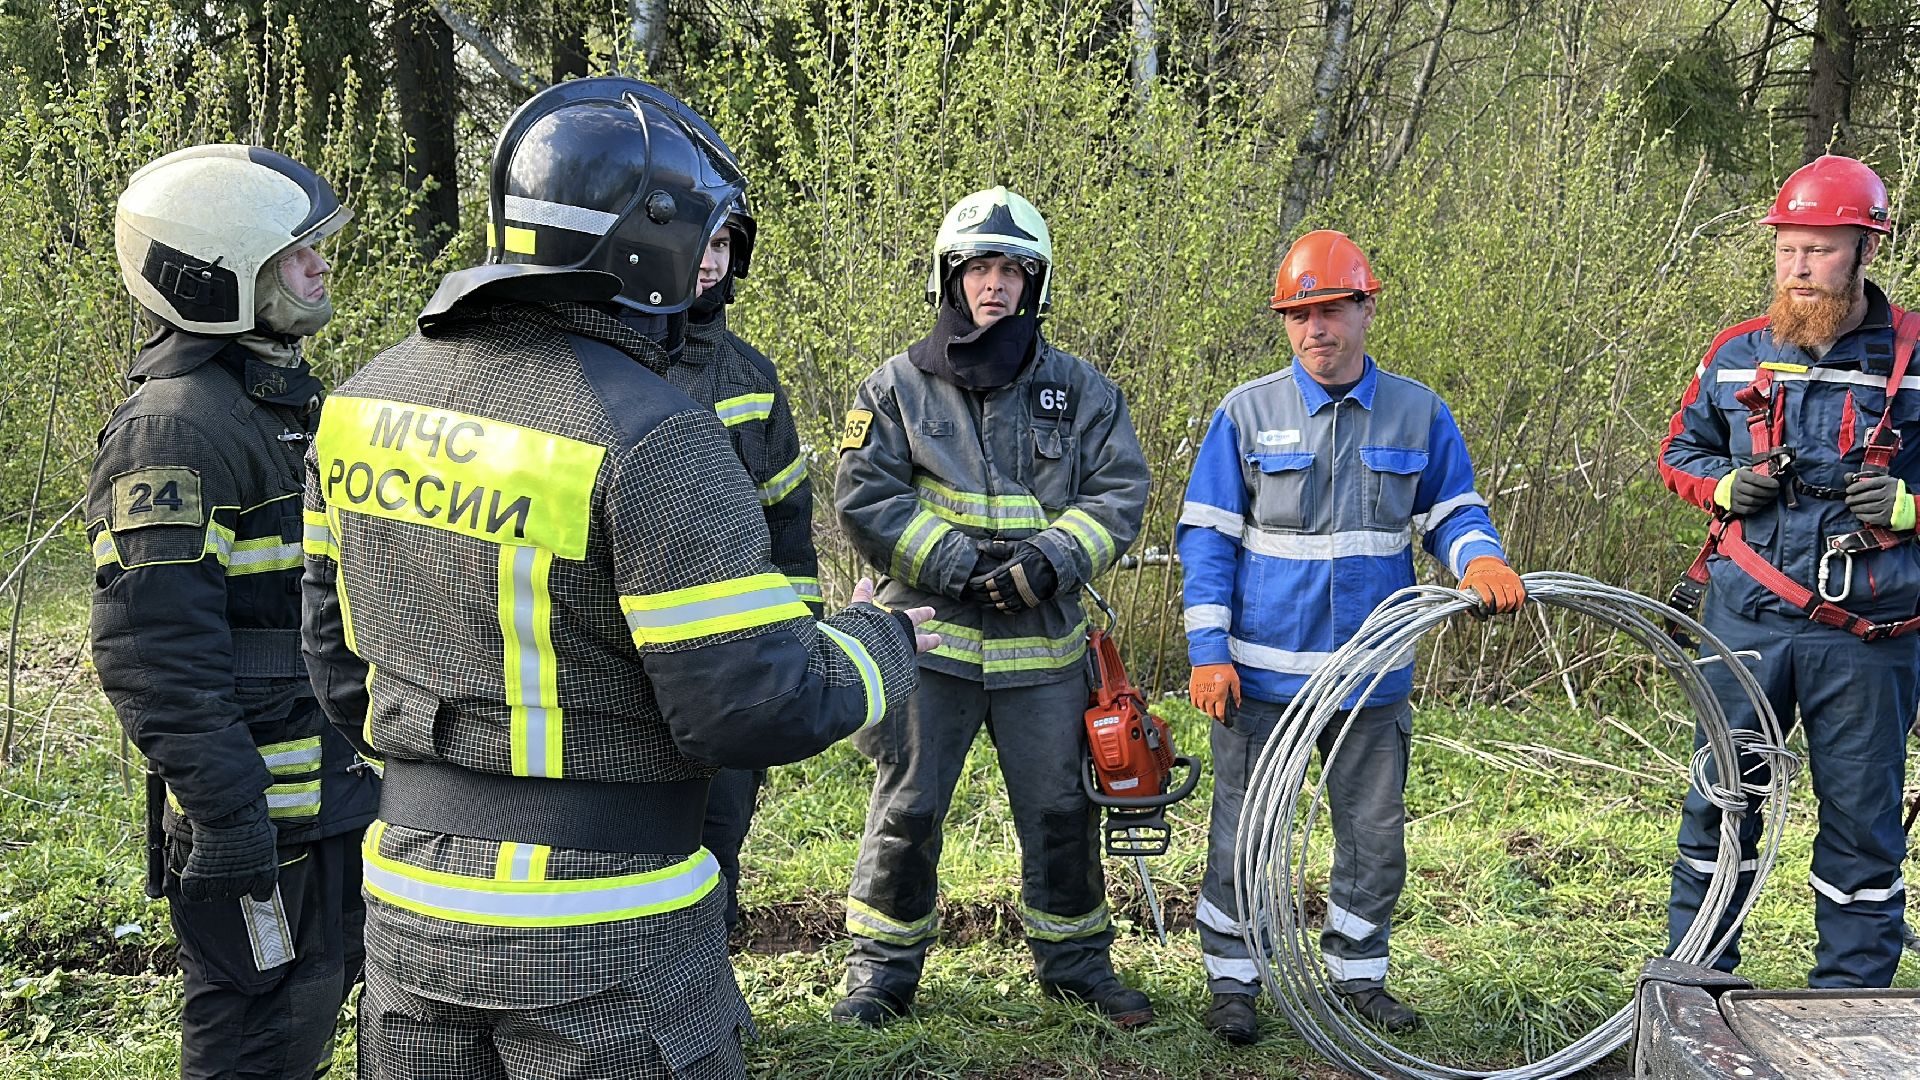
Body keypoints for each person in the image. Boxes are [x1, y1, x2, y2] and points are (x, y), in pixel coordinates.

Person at [299, 77, 931, 1078]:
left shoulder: (363, 402)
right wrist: (882, 644)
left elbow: (334, 666)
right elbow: (754, 708)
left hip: (410, 910)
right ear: (655, 243)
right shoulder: (654, 437)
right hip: (603, 940)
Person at [1178, 229, 1525, 1044]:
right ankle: (1234, 982)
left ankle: (1357, 978)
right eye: (1300, 316)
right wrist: (1207, 651)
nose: (1316, 330)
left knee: (1371, 834)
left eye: (1333, 310)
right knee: (1242, 831)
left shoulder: (1416, 410)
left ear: (1369, 309)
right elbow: (1208, 538)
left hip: (1370, 678)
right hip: (1261, 682)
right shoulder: (1247, 413)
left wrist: (1480, 560)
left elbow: (1452, 511)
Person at [832, 185, 1153, 1027]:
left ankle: (1077, 966)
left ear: (1035, 284)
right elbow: (863, 495)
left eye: (1014, 269)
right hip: (928, 641)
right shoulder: (895, 387)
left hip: (1043, 649)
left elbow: (1121, 490)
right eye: (979, 266)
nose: (995, 283)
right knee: (907, 810)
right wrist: (953, 562)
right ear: (950, 276)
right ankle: (880, 976)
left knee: (1060, 812)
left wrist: (1050, 561)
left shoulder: (1081, 391)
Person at [91, 144, 376, 1078]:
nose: (320, 268)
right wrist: (228, 815)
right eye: (296, 255)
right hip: (255, 814)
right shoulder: (173, 429)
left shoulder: (287, 406)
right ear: (215, 276)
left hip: (334, 797)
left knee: (323, 1006)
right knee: (256, 1034)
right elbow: (153, 655)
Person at [1659, 154, 1919, 989]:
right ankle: (1697, 983)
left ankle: (1849, 1010)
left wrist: (1911, 506)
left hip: (1867, 634)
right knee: (1722, 804)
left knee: (1862, 825)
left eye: (1820, 249)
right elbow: (1678, 450)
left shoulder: (1915, 357)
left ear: (1865, 250)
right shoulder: (1736, 353)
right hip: (1746, 621)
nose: (1799, 267)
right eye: (1787, 250)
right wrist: (1726, 484)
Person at [669, 190, 820, 933]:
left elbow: (789, 533)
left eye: (724, 245)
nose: (709, 262)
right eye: (699, 242)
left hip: (731, 675)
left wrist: (797, 659)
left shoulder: (752, 382)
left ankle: (715, 1021)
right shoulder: (599, 367)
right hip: (629, 672)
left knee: (718, 847)